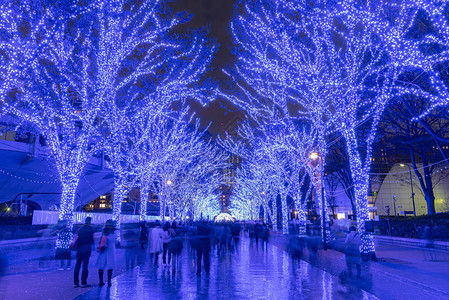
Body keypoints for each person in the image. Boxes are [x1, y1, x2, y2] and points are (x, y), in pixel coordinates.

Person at [74, 216, 94, 288]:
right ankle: (83, 282)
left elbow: (77, 238)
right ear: (90, 221)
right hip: (87, 249)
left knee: (77, 266)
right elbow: (91, 241)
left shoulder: (80, 229)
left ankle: (75, 283)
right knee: (85, 266)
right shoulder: (90, 229)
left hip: (80, 249)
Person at [96, 219, 116, 287]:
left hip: (103, 250)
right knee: (110, 266)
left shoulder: (103, 232)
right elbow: (114, 241)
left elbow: (99, 241)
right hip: (110, 251)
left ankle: (100, 281)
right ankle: (109, 281)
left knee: (101, 266)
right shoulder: (114, 232)